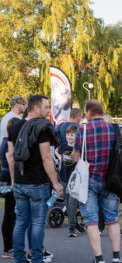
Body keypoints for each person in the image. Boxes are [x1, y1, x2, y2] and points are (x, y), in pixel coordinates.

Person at [7, 95, 63, 263]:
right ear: (36, 108)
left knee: (21, 222)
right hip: (38, 183)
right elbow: (47, 158)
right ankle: (37, 259)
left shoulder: (15, 126)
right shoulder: (42, 128)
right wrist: (55, 183)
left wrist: (14, 180)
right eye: (46, 107)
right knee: (38, 223)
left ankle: (19, 259)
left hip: (20, 182)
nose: (49, 111)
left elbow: (10, 156)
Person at [71, 99, 122, 263]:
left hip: (89, 180)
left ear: (88, 112)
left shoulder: (83, 129)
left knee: (91, 221)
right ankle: (116, 257)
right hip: (110, 179)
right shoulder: (113, 129)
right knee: (113, 219)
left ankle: (99, 259)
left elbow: (75, 157)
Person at [55, 125, 85, 237]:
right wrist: (60, 158)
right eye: (68, 134)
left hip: (75, 180)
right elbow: (56, 151)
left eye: (72, 135)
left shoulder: (79, 148)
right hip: (64, 178)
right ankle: (75, 223)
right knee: (67, 203)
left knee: (72, 204)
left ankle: (71, 228)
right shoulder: (63, 147)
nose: (69, 137)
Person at [0, 117, 20, 258]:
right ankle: (9, 248)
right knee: (10, 214)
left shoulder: (4, 142)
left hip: (5, 177)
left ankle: (8, 247)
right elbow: (11, 159)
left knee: (10, 213)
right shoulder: (9, 143)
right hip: (9, 178)